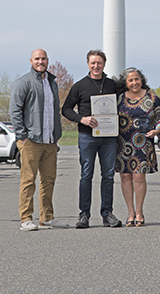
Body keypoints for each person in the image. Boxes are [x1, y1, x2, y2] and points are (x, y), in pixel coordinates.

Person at [62, 49, 122, 229]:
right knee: (86, 175)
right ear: (88, 64)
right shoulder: (79, 86)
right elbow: (65, 109)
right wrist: (82, 119)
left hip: (109, 138)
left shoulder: (112, 85)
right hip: (87, 136)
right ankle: (84, 215)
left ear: (104, 64)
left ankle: (107, 214)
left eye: (99, 63)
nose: (96, 66)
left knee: (108, 176)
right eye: (93, 63)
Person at [9, 48, 68, 231]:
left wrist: (55, 137)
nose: (40, 61)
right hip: (31, 141)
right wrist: (22, 136)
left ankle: (47, 217)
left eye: (43, 59)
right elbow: (15, 111)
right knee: (28, 180)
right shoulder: (23, 82)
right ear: (31, 61)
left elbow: (53, 112)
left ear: (47, 60)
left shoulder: (52, 83)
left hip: (50, 142)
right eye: (37, 59)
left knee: (48, 180)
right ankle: (26, 218)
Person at [115, 67, 160, 226]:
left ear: (141, 79)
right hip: (123, 142)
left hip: (143, 143)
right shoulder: (119, 98)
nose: (134, 82)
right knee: (125, 176)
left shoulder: (152, 97)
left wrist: (158, 129)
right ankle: (130, 213)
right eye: (130, 80)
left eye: (136, 79)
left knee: (138, 176)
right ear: (126, 83)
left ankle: (139, 212)